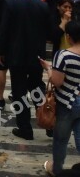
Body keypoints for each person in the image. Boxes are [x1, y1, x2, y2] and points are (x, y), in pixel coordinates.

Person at [0, 0, 51, 140]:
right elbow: (48, 31)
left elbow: (4, 30)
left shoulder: (11, 4)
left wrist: (1, 51)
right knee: (37, 88)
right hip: (36, 55)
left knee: (19, 91)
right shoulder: (42, 5)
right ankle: (49, 121)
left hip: (17, 55)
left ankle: (25, 128)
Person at [41, 21, 80, 176]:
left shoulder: (63, 55)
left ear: (68, 36)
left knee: (61, 140)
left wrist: (49, 68)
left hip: (67, 104)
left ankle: (56, 170)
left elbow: (57, 82)